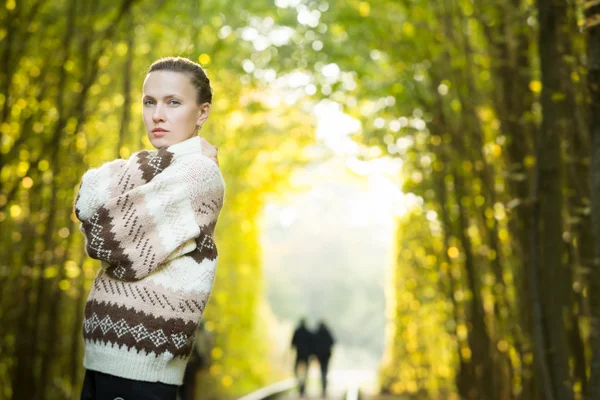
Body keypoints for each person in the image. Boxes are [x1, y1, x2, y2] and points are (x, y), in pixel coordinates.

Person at [76, 57, 225, 400]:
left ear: (202, 113)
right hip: (105, 358)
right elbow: (84, 197)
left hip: (141, 367)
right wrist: (160, 159)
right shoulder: (162, 166)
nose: (158, 114)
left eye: (173, 102)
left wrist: (174, 159)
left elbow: (107, 241)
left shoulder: (198, 174)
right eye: (149, 102)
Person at [312, 321, 335, 397]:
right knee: (324, 371)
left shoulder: (317, 333)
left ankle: (323, 388)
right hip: (326, 356)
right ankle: (324, 388)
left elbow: (313, 344)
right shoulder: (328, 332)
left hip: (320, 356)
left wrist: (315, 354)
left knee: (322, 371)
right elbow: (332, 342)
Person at [291, 318, 313, 397]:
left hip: (299, 354)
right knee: (306, 372)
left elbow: (292, 343)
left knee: (295, 370)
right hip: (306, 356)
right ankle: (303, 385)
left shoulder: (297, 331)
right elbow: (312, 345)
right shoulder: (308, 332)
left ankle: (300, 384)